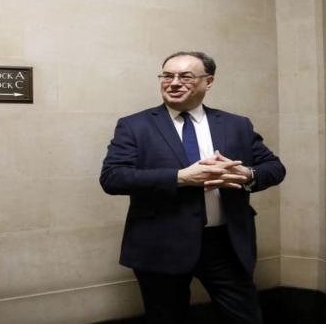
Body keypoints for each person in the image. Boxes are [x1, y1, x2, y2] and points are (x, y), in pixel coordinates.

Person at [100, 51, 286, 323]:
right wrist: (180, 177)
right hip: (160, 243)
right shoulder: (134, 126)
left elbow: (274, 168)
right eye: (167, 75)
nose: (173, 82)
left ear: (208, 82)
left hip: (225, 244)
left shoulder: (237, 125)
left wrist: (247, 173)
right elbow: (113, 177)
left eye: (185, 76)